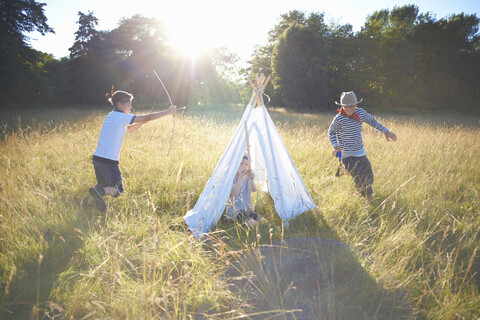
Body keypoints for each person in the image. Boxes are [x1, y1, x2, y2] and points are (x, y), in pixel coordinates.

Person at [89, 90, 176, 212]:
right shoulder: (120, 117)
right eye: (128, 103)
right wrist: (168, 112)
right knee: (118, 189)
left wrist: (142, 122)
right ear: (120, 104)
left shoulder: (112, 116)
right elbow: (149, 116)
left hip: (98, 158)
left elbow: (128, 130)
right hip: (109, 161)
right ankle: (99, 192)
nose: (131, 106)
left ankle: (87, 205)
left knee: (102, 184)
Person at [328, 91, 397, 202]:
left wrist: (386, 132)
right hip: (347, 154)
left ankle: (344, 171)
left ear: (356, 104)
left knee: (369, 177)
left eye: (352, 105)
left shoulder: (361, 113)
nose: (349, 108)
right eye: (346, 106)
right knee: (361, 178)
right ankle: (371, 202)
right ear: (342, 106)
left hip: (360, 152)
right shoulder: (338, 119)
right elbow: (331, 133)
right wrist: (336, 147)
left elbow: (373, 122)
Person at [224, 154, 260, 227]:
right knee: (252, 223)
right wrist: (240, 177)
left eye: (246, 164)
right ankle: (231, 221)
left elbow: (254, 189)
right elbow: (234, 194)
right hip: (235, 211)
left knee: (262, 220)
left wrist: (252, 179)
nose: (244, 166)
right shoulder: (232, 177)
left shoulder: (248, 175)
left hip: (247, 209)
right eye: (241, 163)